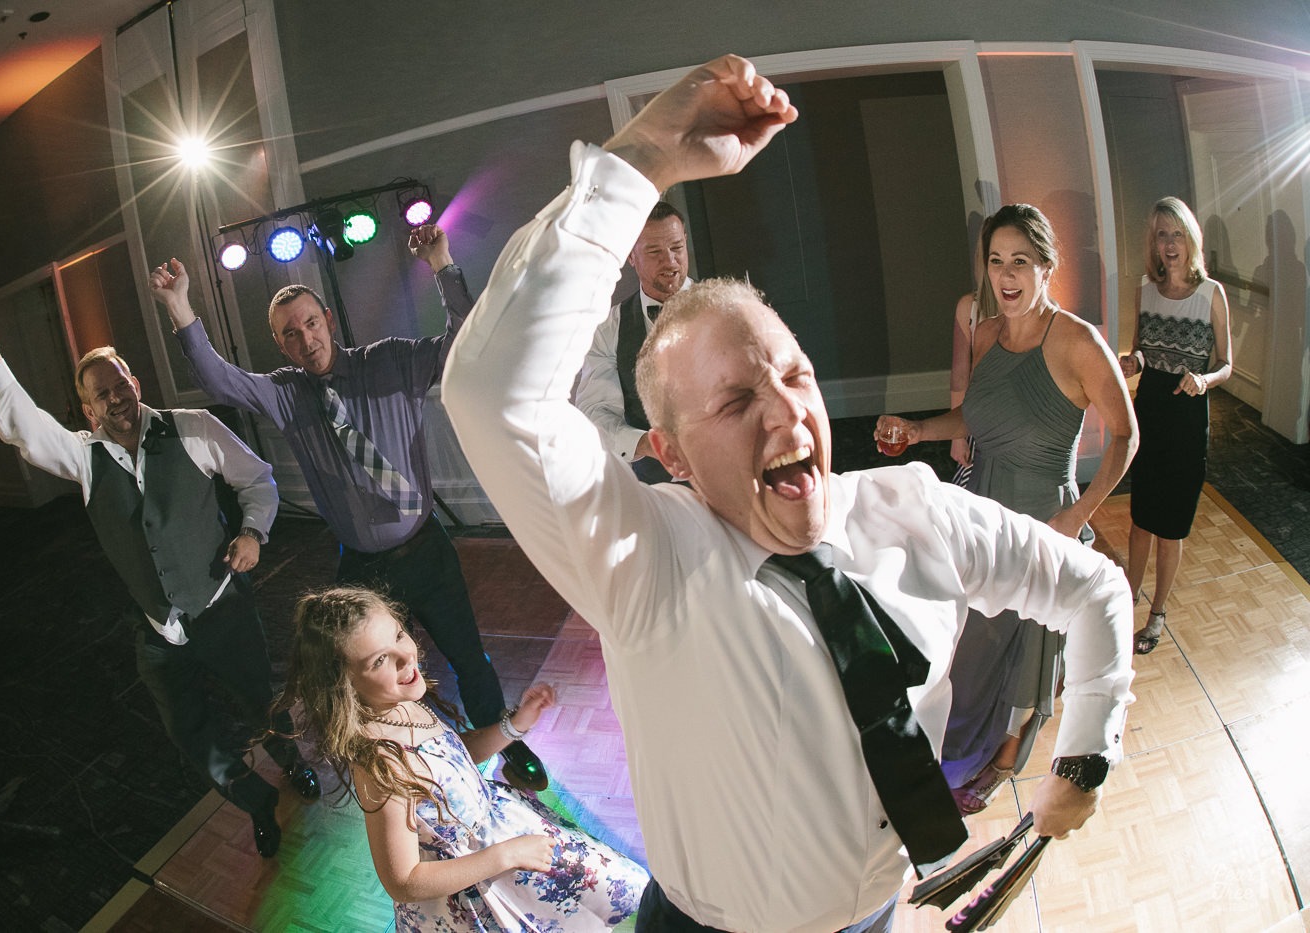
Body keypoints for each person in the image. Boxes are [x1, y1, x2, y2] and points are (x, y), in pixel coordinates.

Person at [442, 55, 1134, 933]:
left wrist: (1085, 752)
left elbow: (1092, 585)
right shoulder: (647, 561)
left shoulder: (916, 510)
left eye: (795, 373)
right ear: (672, 453)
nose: (785, 414)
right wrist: (642, 159)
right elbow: (490, 392)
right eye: (735, 400)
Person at [149, 225, 548, 790]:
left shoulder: (391, 362)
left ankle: (506, 742)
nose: (305, 339)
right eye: (290, 334)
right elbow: (219, 377)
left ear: (329, 323)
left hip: (425, 547)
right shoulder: (286, 395)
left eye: (312, 324)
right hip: (364, 569)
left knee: (468, 655)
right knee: (372, 677)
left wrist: (442, 264)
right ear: (281, 344)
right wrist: (180, 305)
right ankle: (410, 764)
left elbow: (468, 339)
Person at [0, 319, 318, 859]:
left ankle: (293, 763)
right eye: (100, 394)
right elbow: (27, 429)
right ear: (88, 410)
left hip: (221, 606)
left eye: (120, 383)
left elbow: (257, 477)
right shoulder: (84, 457)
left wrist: (252, 531)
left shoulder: (192, 427)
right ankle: (256, 803)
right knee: (189, 731)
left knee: (258, 700)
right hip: (156, 630)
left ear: (137, 384)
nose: (115, 397)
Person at [875, 204, 1137, 815]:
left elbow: (1126, 433)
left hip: (1042, 515)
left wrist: (1078, 516)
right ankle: (952, 752)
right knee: (963, 640)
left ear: (1047, 266)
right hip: (980, 507)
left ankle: (996, 764)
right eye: (996, 261)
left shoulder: (1077, 341)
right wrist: (918, 431)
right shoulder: (988, 333)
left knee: (1023, 650)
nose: (1007, 274)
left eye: (1021, 261)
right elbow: (980, 415)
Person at [281, 586, 648, 932]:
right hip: (479, 887)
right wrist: (505, 856)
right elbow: (403, 880)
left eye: (398, 635)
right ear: (344, 684)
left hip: (507, 837)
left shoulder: (400, 704)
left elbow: (453, 762)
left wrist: (513, 726)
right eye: (380, 660)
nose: (406, 655)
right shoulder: (381, 762)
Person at [1118, 197, 1232, 654]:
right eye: (1161, 235)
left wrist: (1204, 379)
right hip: (1151, 412)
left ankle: (1157, 612)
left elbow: (1227, 364)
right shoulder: (1146, 288)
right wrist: (1132, 362)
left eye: (1177, 234)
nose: (1169, 245)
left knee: (1172, 525)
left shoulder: (1211, 294)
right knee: (1141, 517)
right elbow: (1143, 349)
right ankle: (1126, 602)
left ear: (1191, 239)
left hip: (1187, 417)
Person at [576, 201, 691, 484]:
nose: (670, 262)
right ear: (631, 256)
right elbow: (595, 412)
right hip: (654, 489)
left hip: (727, 478)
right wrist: (649, 445)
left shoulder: (727, 310)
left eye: (676, 248)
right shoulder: (607, 329)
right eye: (654, 252)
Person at [947, 230, 998, 485]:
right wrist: (957, 436)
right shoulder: (970, 306)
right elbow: (959, 376)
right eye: (996, 258)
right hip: (982, 422)